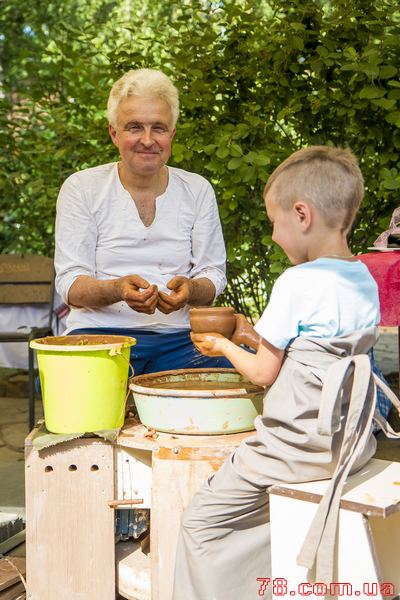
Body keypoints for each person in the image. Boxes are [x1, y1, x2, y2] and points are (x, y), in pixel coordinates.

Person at [172, 146, 400, 600]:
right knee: (266, 516)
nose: (274, 236)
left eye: (274, 222)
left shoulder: (296, 282)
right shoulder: (362, 277)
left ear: (302, 215)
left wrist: (221, 346)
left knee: (201, 521)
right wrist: (252, 335)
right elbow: (313, 351)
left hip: (297, 448)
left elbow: (262, 374)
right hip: (349, 444)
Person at [54, 68, 230, 373]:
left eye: (158, 128)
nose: (147, 140)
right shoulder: (81, 188)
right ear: (114, 133)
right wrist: (119, 289)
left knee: (238, 370)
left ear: (172, 134)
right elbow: (70, 285)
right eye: (134, 127)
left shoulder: (197, 189)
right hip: (100, 336)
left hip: (182, 339)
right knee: (68, 384)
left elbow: (213, 274)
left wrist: (190, 290)